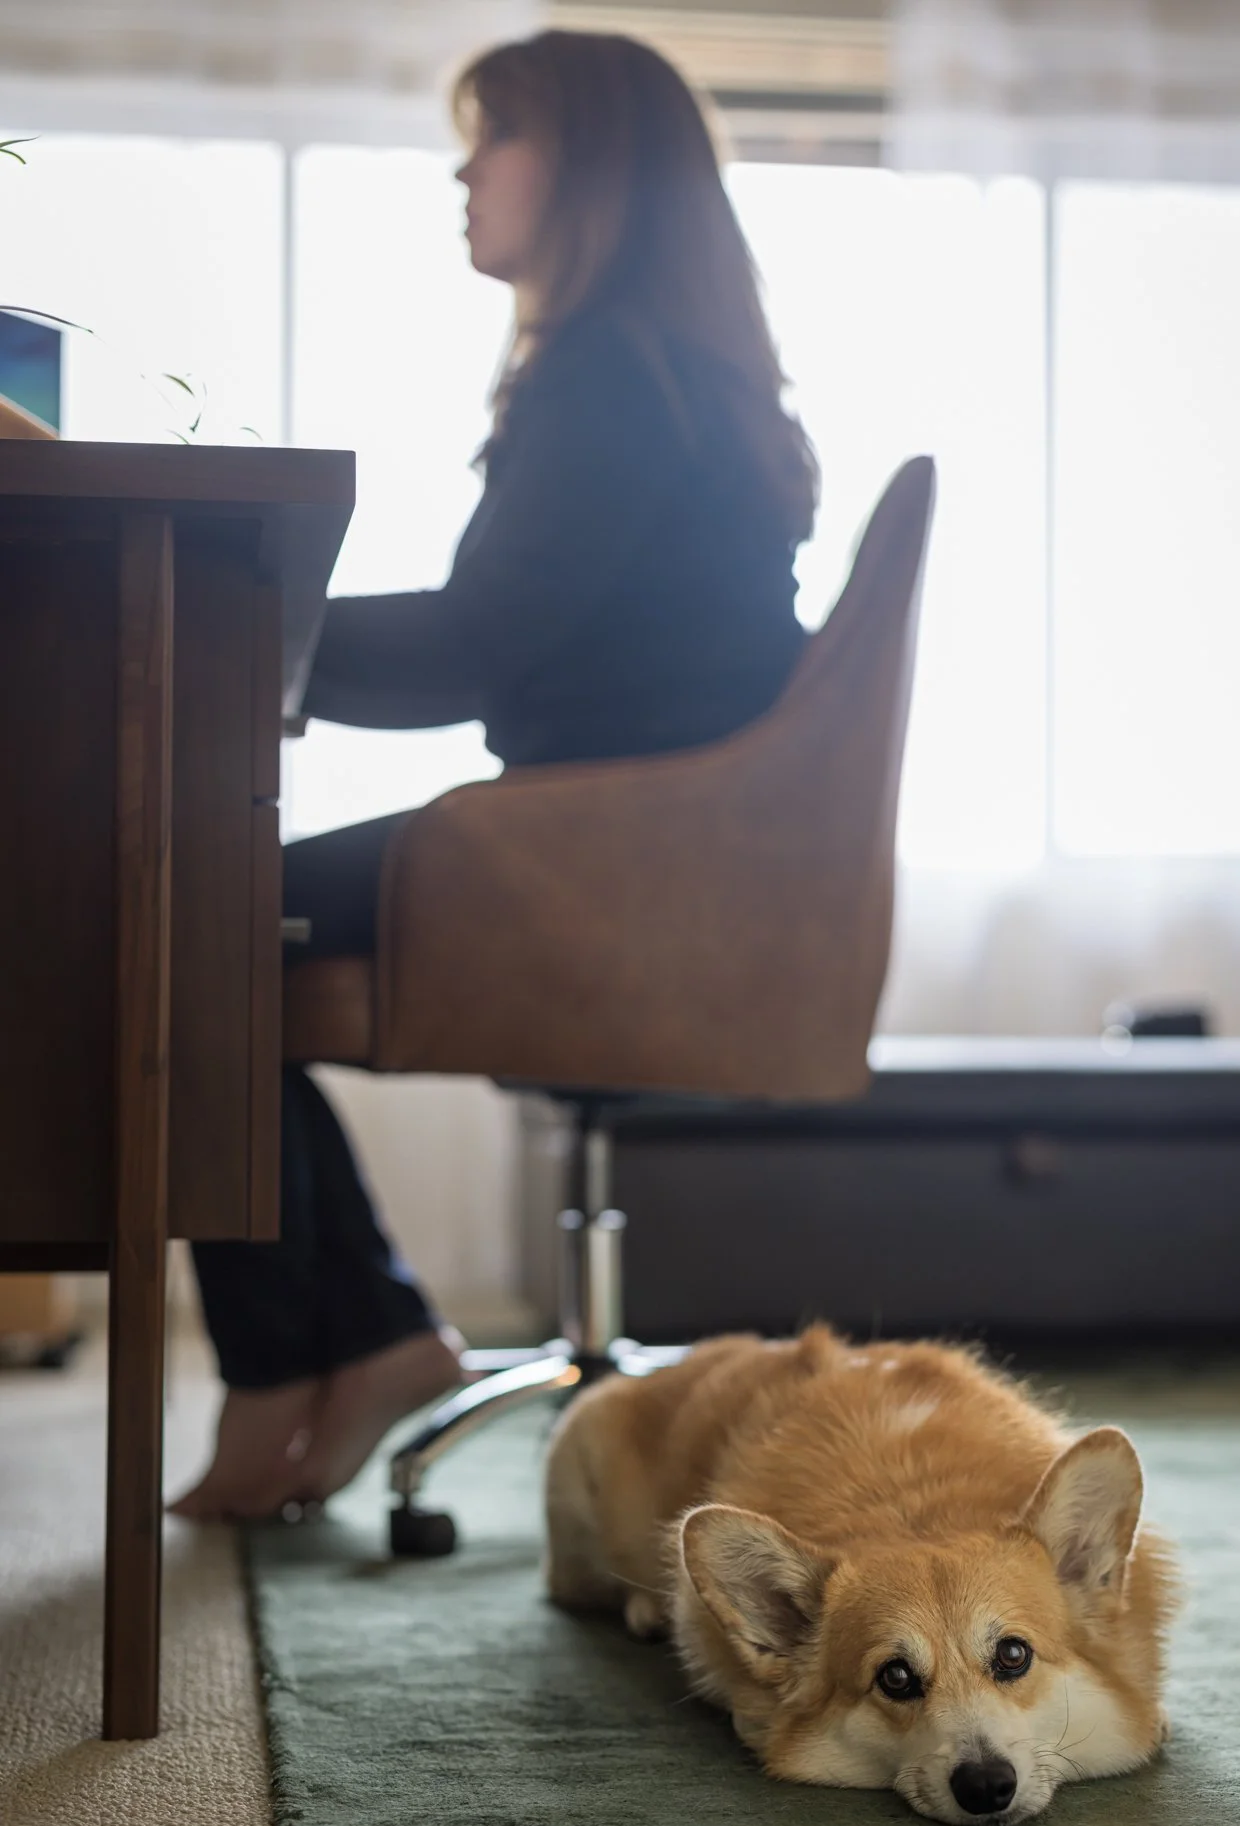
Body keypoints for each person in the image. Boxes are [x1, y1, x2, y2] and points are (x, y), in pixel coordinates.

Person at [171, 27, 818, 1521]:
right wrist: (261, 640)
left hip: (606, 867)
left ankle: (298, 1363)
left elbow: (474, 647)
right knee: (214, 931)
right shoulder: (665, 375)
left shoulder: (614, 377)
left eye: (497, 138)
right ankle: (365, 1339)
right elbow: (504, 644)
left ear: (589, 168)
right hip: (647, 860)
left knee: (190, 923)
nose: (464, 174)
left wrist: (231, 627)